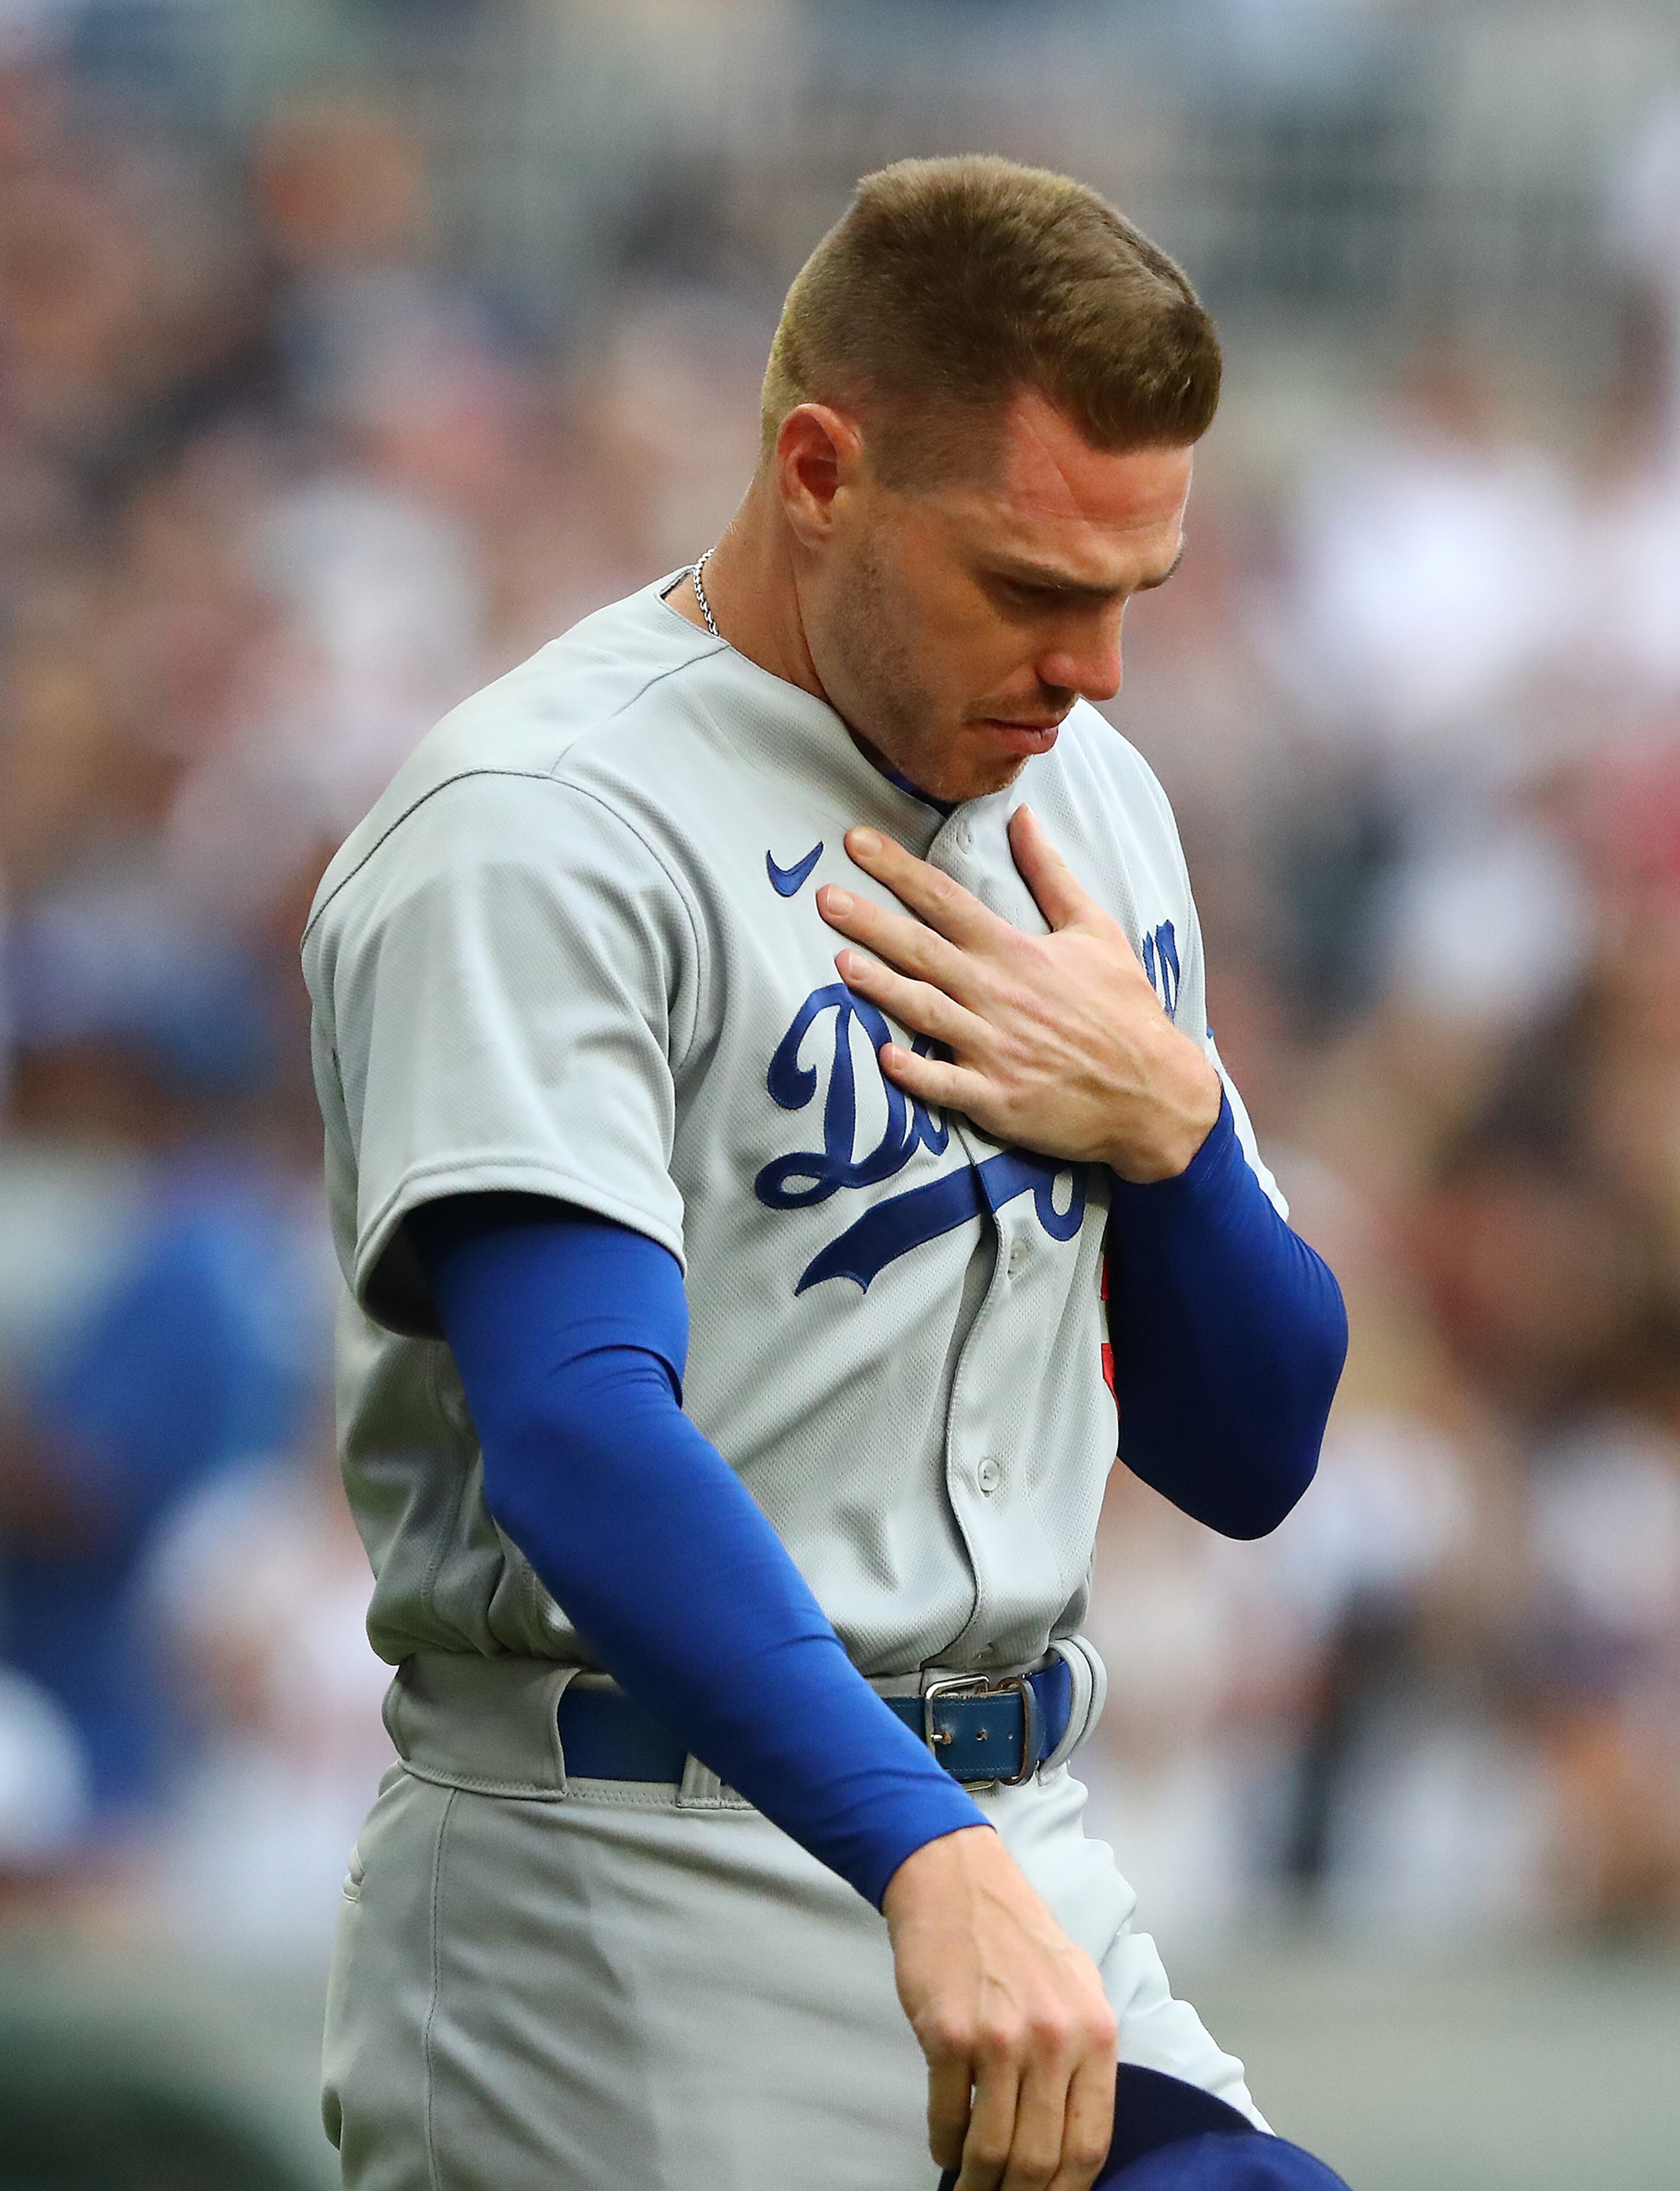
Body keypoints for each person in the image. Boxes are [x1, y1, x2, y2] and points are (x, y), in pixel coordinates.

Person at [304, 157, 1349, 2191]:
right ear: (816, 470)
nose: (1096, 668)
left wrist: (1179, 1133)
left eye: (1135, 591)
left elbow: (1254, 1451)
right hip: (621, 1882)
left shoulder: (1089, 801)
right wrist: (919, 1845)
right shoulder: (542, 824)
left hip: (1014, 1851)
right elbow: (577, 1432)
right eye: (1035, 587)